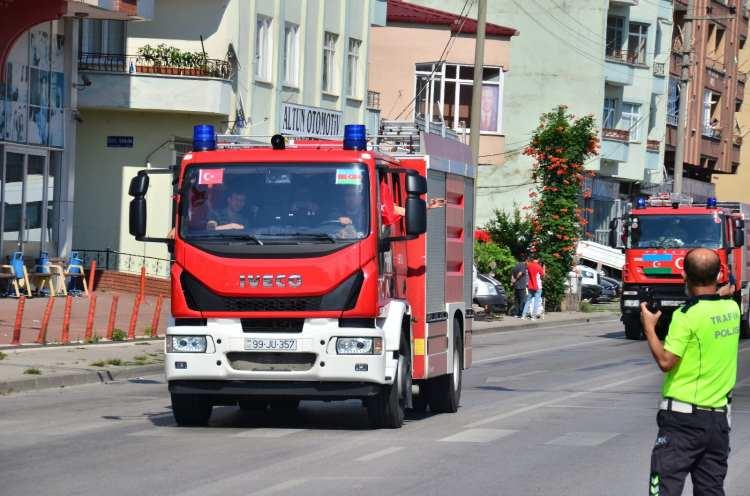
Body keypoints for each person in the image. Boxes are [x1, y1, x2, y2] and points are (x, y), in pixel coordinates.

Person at [640, 248, 740, 496]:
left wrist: (649, 328)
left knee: (662, 489)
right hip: (718, 422)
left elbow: (666, 361)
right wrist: (721, 289)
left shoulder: (686, 317)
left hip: (683, 421)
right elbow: (717, 297)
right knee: (711, 490)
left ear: (684, 275)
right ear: (718, 274)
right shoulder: (732, 310)